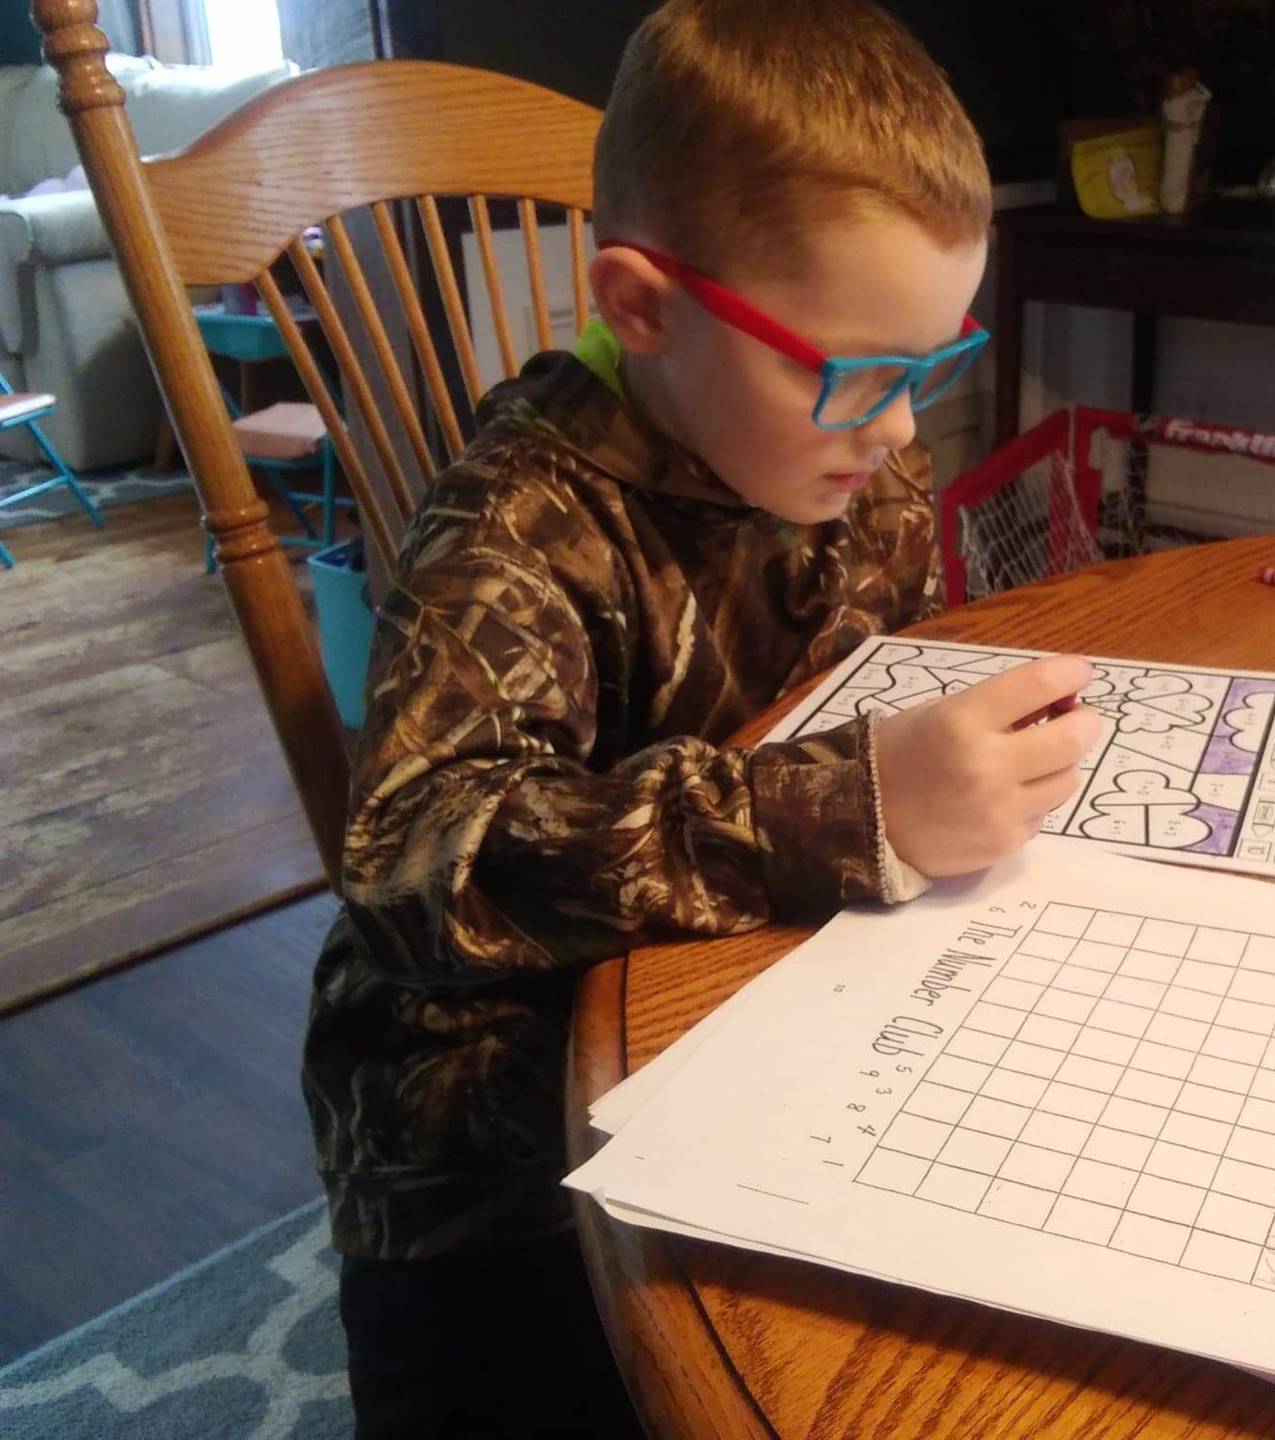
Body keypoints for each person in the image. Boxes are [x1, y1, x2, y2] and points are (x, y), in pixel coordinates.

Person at [303, 3, 1102, 1434]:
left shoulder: (855, 467)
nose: (907, 431)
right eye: (858, 372)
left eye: (936, 367)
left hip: (761, 1030)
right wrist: (847, 809)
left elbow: (880, 694)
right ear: (641, 308)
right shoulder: (517, 524)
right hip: (485, 1171)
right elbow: (412, 868)